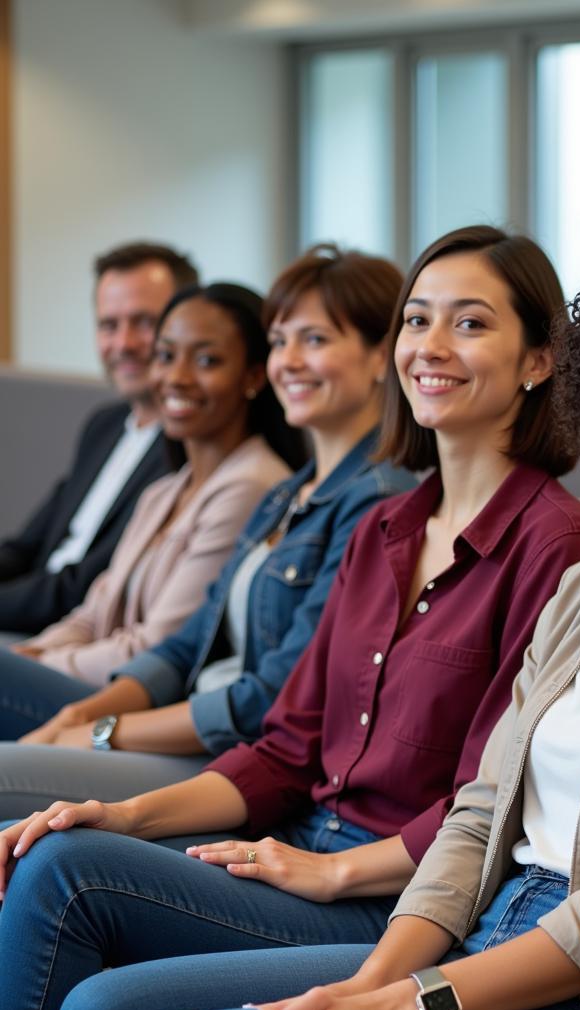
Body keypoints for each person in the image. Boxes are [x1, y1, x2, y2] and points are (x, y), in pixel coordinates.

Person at [39, 241, 580, 1010]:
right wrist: (371, 984)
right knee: (105, 999)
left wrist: (415, 996)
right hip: (467, 922)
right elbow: (481, 811)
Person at [0, 225, 580, 1010]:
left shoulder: (558, 545)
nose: (431, 345)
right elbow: (286, 749)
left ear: (539, 360)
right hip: (297, 844)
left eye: (470, 323)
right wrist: (125, 816)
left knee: (70, 897)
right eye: (418, 320)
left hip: (399, 899)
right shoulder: (386, 526)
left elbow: (489, 803)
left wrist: (336, 870)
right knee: (60, 849)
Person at [0, 246, 416, 813]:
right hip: (191, 724)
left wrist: (106, 730)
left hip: (236, 757)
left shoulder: (376, 502)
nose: (289, 361)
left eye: (314, 340)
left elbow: (271, 697)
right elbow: (185, 644)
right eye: (280, 341)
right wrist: (82, 715)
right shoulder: (289, 492)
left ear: (380, 358)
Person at [0, 283, 306, 737]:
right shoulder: (165, 489)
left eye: (206, 361)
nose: (176, 377)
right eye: (166, 356)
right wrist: (36, 654)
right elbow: (94, 611)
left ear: (254, 377)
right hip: (94, 680)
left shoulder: (252, 485)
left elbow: (158, 646)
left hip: (140, 705)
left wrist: (40, 663)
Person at [0, 242, 199, 637]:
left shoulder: (189, 451)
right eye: (109, 325)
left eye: (143, 322)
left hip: (80, 634)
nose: (123, 343)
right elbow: (26, 548)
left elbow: (81, 588)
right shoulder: (104, 426)